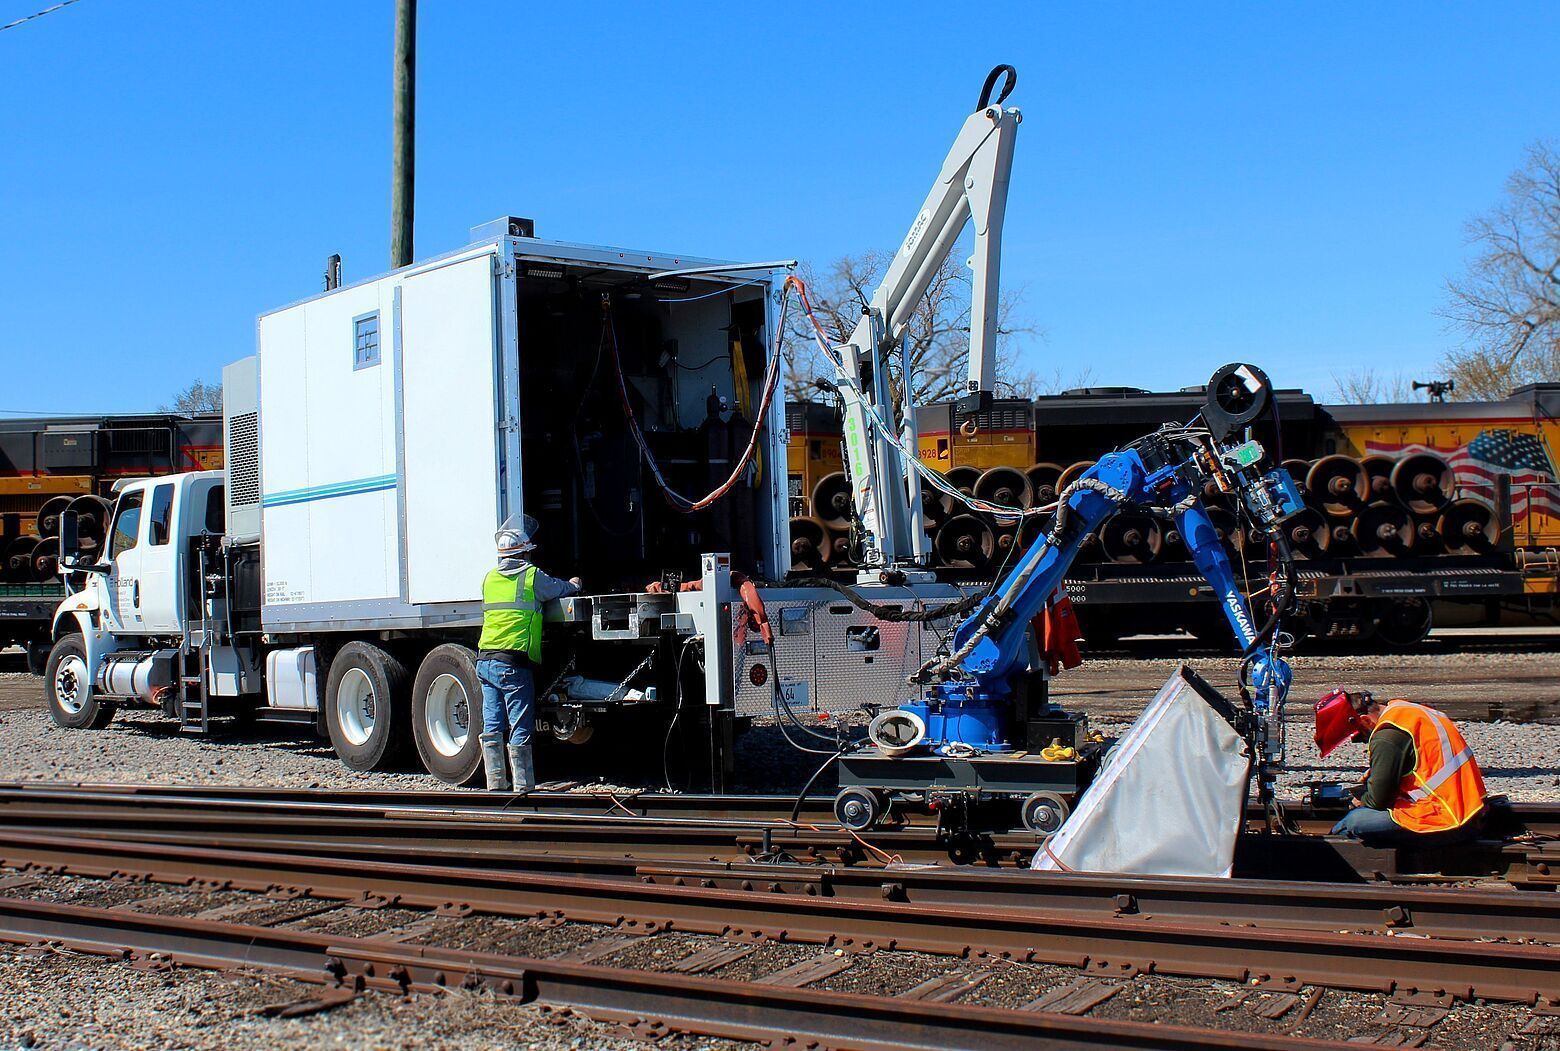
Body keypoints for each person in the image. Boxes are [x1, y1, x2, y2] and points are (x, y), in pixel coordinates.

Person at [477, 516, 580, 792]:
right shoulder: (531, 576)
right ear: (523, 552)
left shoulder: (489, 579)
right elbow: (558, 589)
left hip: (485, 659)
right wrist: (575, 584)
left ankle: (496, 784)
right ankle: (523, 786)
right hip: (513, 661)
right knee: (520, 722)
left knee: (493, 722)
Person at [1313, 688, 1487, 849]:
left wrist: (1361, 800)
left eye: (1361, 736)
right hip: (1469, 810)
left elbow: (1378, 800)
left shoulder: (1387, 735)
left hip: (1445, 819)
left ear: (1365, 720)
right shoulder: (1406, 711)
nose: (1365, 741)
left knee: (1354, 821)